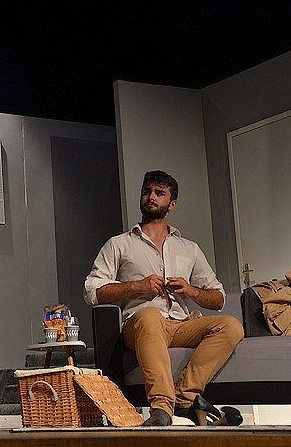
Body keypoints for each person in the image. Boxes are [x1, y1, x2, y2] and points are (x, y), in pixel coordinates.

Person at [83, 170, 243, 426]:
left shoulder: (189, 248)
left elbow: (218, 298)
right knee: (149, 316)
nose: (151, 197)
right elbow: (92, 291)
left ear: (172, 203)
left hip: (181, 324)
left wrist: (191, 290)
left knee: (231, 325)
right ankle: (161, 408)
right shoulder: (119, 244)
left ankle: (185, 398)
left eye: (159, 193)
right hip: (140, 324)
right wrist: (136, 286)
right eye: (147, 192)